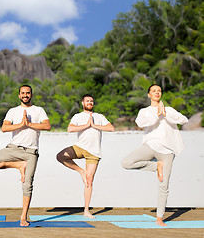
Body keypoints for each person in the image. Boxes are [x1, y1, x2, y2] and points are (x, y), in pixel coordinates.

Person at [122, 84, 188, 226]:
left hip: (167, 151)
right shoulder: (144, 111)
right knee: (126, 162)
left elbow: (184, 120)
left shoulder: (168, 110)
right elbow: (140, 123)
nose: (157, 92)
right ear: (149, 95)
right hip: (150, 146)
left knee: (163, 184)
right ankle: (156, 166)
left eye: (159, 91)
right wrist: (157, 115)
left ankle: (159, 218)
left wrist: (165, 113)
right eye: (154, 91)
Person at [0, 85, 51, 226]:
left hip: (31, 152)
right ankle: (19, 165)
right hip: (13, 149)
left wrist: (30, 124)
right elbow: (4, 128)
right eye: (22, 93)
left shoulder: (39, 110)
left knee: (27, 185)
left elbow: (47, 126)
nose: (25, 95)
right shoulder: (13, 111)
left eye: (27, 93)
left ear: (31, 95)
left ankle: (23, 217)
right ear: (19, 95)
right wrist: (21, 124)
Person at [56, 94, 114, 219]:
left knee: (89, 181)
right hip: (80, 147)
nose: (90, 102)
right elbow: (70, 129)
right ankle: (81, 171)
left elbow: (111, 128)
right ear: (83, 103)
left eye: (91, 101)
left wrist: (94, 125)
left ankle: (86, 210)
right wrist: (86, 126)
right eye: (87, 101)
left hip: (94, 152)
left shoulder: (99, 117)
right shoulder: (78, 116)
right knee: (61, 156)